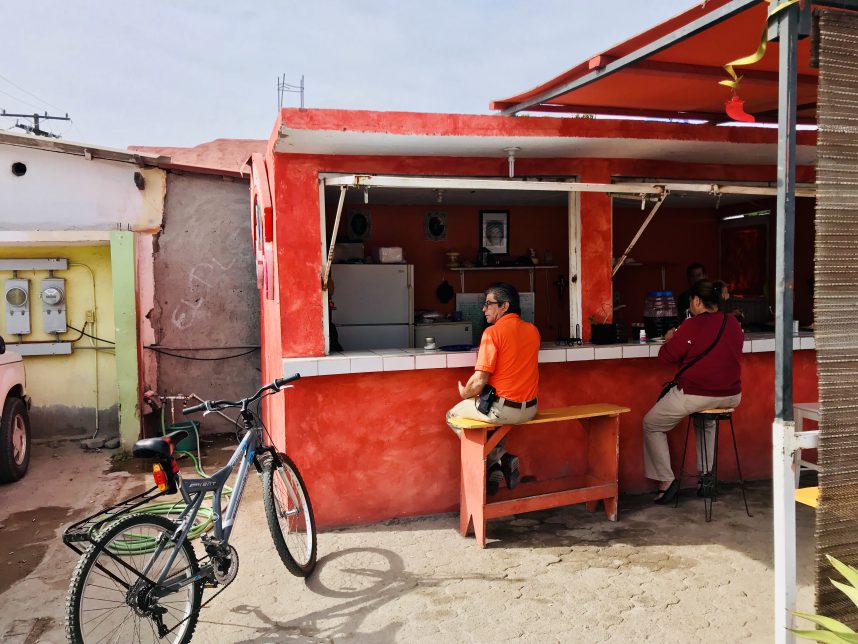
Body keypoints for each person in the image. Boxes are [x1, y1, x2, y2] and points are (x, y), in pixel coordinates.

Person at [642, 279, 744, 504]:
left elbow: (666, 357)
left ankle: (666, 481)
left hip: (697, 393)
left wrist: (670, 338)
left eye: (691, 301)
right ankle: (706, 478)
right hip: (732, 395)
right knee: (706, 420)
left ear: (697, 301)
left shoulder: (691, 325)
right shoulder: (733, 323)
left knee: (651, 424)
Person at [446, 283, 539, 495]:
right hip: (531, 409)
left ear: (504, 306)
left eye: (488, 304)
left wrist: (464, 393)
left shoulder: (492, 333)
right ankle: (495, 465)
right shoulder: (533, 331)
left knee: (451, 415)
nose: (483, 309)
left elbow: (479, 380)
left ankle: (499, 458)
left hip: (504, 410)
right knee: (494, 424)